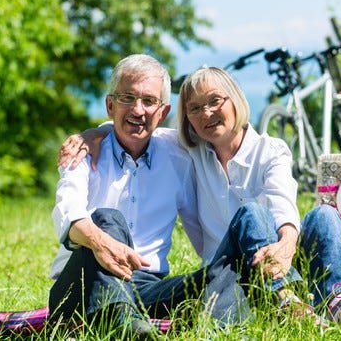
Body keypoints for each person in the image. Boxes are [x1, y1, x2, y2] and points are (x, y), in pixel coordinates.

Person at [60, 66, 341, 324]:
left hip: (263, 265)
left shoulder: (254, 150)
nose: (207, 113)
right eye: (195, 108)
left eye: (215, 101)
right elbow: (132, 127)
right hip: (114, 277)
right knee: (249, 214)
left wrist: (287, 242)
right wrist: (92, 134)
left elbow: (282, 200)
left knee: (323, 214)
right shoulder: (181, 152)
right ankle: (286, 304)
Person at [49, 55, 248, 339]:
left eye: (149, 101)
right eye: (127, 98)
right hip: (84, 283)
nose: (138, 110)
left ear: (163, 111)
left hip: (146, 289)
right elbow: (68, 214)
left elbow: (220, 133)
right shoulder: (83, 152)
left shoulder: (179, 154)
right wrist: (101, 242)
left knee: (228, 268)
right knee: (107, 218)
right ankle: (123, 326)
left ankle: (213, 328)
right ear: (110, 105)